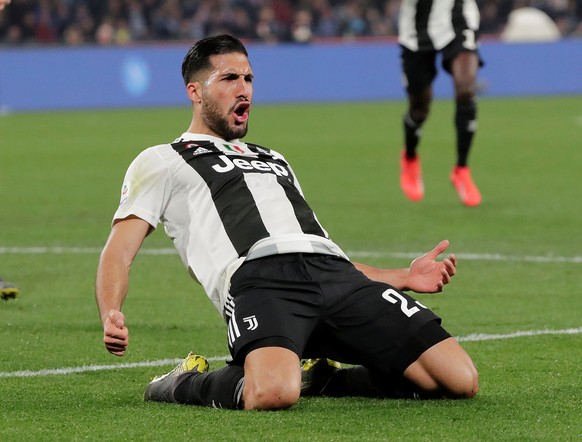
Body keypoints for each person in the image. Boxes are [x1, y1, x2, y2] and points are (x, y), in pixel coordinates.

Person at [95, 34, 478, 411]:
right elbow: (118, 252)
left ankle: (327, 381)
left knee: (458, 380)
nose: (243, 89)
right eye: (229, 79)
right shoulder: (162, 159)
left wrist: (402, 277)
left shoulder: (274, 158)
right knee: (273, 393)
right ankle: (182, 383)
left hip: (333, 274)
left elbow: (307, 244)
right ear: (195, 92)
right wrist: (111, 311)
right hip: (260, 279)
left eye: (248, 79)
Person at [398, 0, 483, 206]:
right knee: (419, 108)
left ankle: (461, 169)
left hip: (458, 17)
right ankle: (410, 157)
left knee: (465, 90)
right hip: (416, 27)